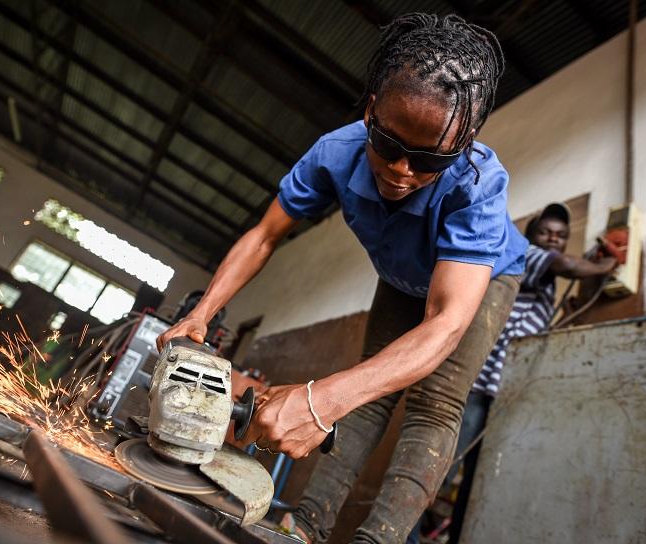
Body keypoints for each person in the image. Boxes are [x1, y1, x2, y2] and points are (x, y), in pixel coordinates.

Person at [158, 14, 527, 543]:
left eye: (428, 160)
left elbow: (446, 324)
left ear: (464, 141)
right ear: (372, 111)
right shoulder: (336, 151)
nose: (402, 171)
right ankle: (304, 527)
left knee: (435, 403)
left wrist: (318, 401)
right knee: (367, 389)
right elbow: (264, 235)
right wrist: (200, 314)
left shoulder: (479, 186)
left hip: (477, 284)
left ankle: (377, 539)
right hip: (403, 276)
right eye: (390, 145)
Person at [406, 202, 618, 544]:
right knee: (440, 468)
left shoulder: (545, 283)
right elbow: (565, 264)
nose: (553, 239)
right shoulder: (527, 254)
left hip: (497, 393)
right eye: (546, 231)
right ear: (532, 233)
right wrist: (608, 263)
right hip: (475, 387)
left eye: (561, 235)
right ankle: (405, 537)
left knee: (473, 483)